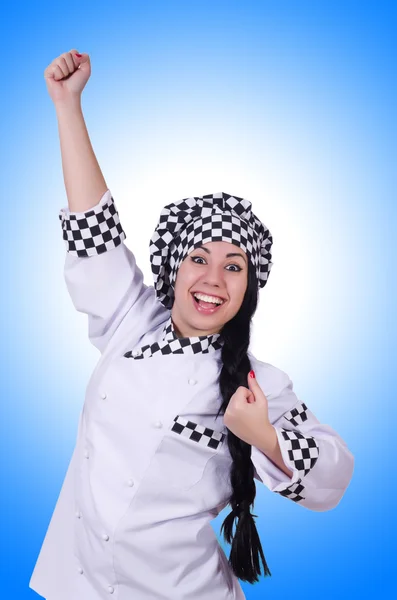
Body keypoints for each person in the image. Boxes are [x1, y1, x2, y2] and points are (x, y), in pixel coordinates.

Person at [29, 50, 355, 600]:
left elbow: (333, 479)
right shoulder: (130, 323)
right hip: (77, 584)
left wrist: (265, 437)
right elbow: (93, 228)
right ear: (173, 269)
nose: (214, 279)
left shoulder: (258, 383)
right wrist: (67, 104)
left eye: (234, 267)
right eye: (199, 259)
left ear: (248, 289)